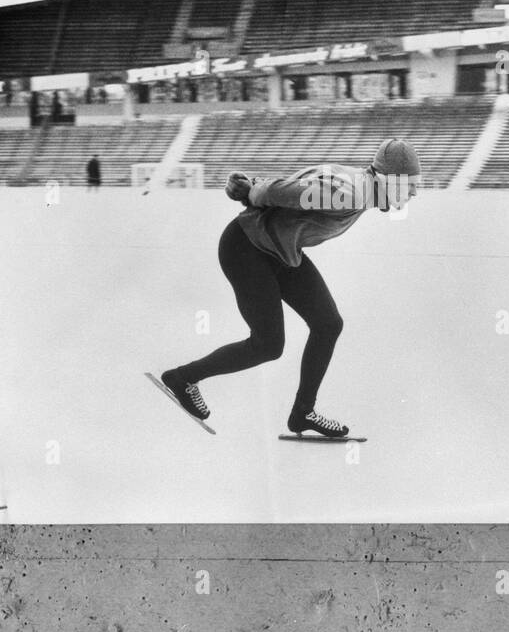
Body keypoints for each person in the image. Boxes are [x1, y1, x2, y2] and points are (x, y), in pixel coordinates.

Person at [155, 138, 422, 438]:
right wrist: (253, 190)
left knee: (328, 324)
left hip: (279, 251)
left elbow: (304, 181)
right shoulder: (350, 194)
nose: (414, 191)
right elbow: (293, 192)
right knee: (268, 344)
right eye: (410, 183)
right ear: (390, 180)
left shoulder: (358, 183)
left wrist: (251, 186)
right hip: (247, 247)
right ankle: (182, 378)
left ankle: (302, 413)